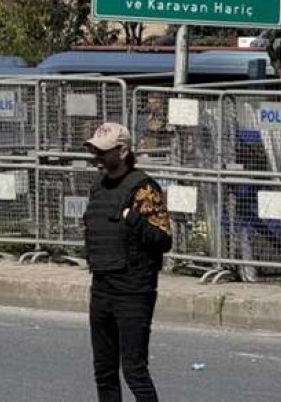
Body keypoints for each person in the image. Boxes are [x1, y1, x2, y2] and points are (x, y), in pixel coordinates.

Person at [83, 122, 172, 402]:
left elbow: (163, 239)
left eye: (102, 151)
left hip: (133, 291)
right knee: (104, 371)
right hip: (102, 286)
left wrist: (133, 219)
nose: (96, 157)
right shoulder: (98, 187)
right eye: (94, 151)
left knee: (134, 371)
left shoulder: (143, 189)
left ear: (122, 151)